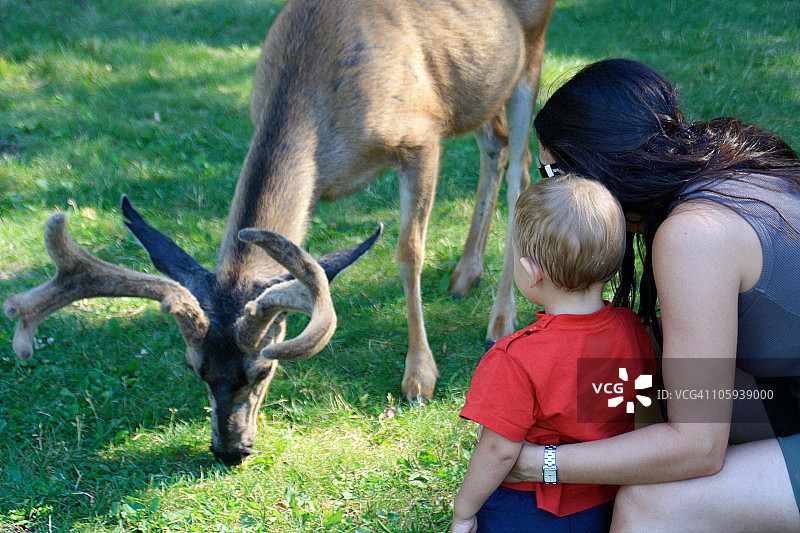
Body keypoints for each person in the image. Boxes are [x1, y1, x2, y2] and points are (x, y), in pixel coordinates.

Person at [503, 57, 800, 532]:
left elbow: (697, 448)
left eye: (552, 171)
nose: (550, 190)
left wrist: (537, 463)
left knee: (651, 505)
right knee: (618, 369)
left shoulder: (695, 234)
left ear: (595, 167)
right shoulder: (726, 166)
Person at [451, 174, 657, 533]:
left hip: (528, 509)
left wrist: (463, 511)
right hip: (608, 501)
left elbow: (499, 451)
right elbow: (645, 417)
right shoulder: (632, 330)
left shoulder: (514, 359)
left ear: (530, 271)